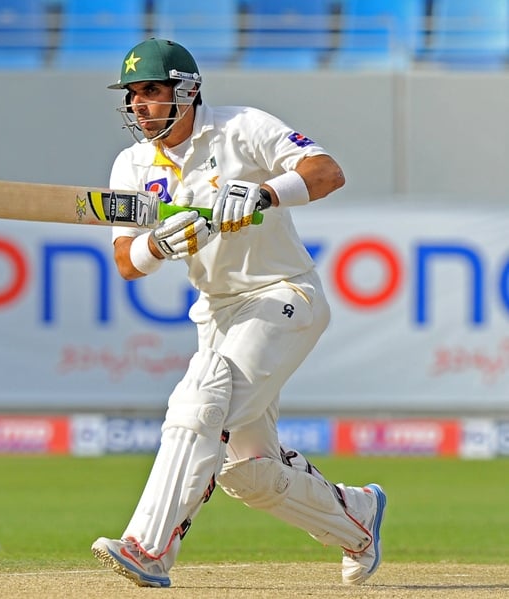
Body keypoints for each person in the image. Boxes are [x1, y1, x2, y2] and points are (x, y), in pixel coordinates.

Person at [90, 39, 386, 588]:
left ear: (188, 90)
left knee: (200, 397)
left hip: (283, 295)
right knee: (247, 473)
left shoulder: (242, 127)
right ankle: (357, 517)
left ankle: (149, 548)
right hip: (217, 315)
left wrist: (264, 194)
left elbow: (327, 171)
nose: (140, 106)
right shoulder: (131, 164)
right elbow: (126, 263)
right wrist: (160, 246)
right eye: (133, 96)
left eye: (152, 91)